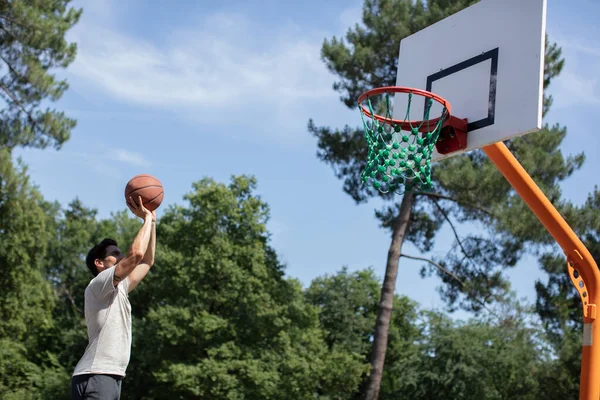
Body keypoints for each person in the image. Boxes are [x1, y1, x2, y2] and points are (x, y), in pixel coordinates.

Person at [71, 196, 157, 400]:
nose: (120, 257)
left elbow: (147, 260)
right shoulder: (100, 282)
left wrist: (152, 221)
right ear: (99, 263)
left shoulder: (119, 288)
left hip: (105, 375)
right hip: (97, 374)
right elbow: (136, 255)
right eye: (115, 254)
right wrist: (144, 220)